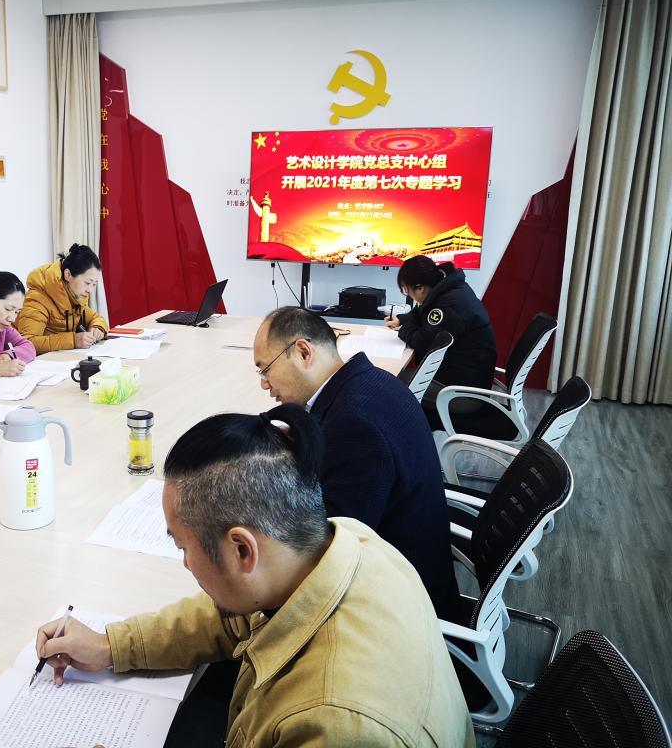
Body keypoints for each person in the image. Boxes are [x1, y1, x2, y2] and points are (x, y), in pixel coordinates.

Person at [35, 406, 474, 748]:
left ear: (242, 550)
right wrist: (110, 645)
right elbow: (232, 617)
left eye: (183, 547)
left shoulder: (332, 723)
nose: (185, 564)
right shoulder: (341, 545)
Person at [253, 306, 458, 621]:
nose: (264, 385)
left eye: (265, 369)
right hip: (412, 562)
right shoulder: (370, 383)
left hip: (400, 606)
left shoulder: (354, 426)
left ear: (303, 352)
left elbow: (328, 557)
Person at [386, 257, 497, 401]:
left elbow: (423, 342)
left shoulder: (448, 304)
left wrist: (404, 329)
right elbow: (423, 311)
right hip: (465, 373)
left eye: (407, 290)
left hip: (463, 391)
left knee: (389, 384)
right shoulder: (447, 289)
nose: (410, 296)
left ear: (420, 288)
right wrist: (402, 319)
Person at [16, 243, 109, 353]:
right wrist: (73, 340)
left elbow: (95, 318)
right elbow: (27, 342)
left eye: (94, 285)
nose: (90, 290)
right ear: (68, 274)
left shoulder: (75, 296)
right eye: (87, 283)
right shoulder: (38, 298)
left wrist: (98, 328)